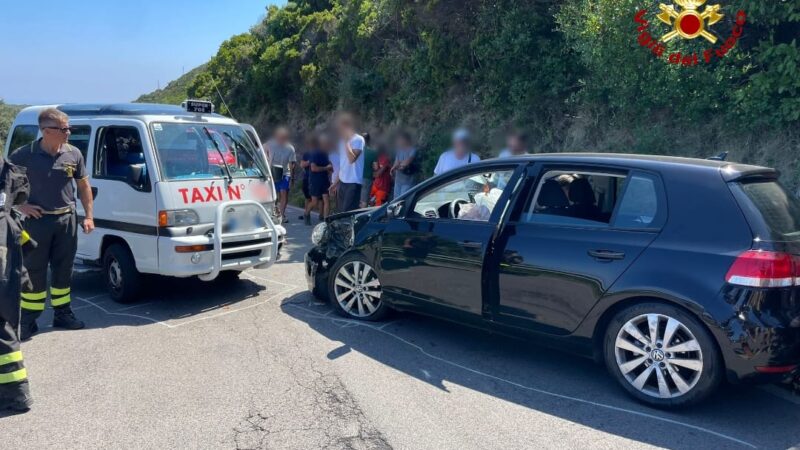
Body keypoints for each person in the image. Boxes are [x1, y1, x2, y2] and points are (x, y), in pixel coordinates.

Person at [9, 108, 95, 341]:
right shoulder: (23, 155)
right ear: (46, 131)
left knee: (64, 269)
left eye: (69, 128)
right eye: (63, 129)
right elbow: (5, 187)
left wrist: (88, 216)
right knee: (34, 271)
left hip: (66, 220)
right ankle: (28, 319)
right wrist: (21, 206)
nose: (68, 132)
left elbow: (84, 186)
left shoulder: (73, 154)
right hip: (36, 223)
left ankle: (62, 314)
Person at [0, 154, 34, 412]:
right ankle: (16, 393)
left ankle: (15, 395)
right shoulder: (7, 168)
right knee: (5, 323)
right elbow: (17, 202)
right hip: (7, 251)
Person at [330, 113, 365, 213]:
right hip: (343, 182)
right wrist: (335, 183)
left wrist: (346, 142)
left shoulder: (359, 139)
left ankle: (350, 229)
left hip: (354, 182)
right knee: (341, 212)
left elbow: (351, 159)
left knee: (348, 212)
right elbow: (343, 165)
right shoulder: (341, 141)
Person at [265, 127, 295, 223]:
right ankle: (274, 213)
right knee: (274, 196)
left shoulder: (290, 148)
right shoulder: (270, 144)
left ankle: (281, 215)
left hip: (285, 173)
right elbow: (262, 149)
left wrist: (292, 178)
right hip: (272, 173)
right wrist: (266, 157)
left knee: (284, 193)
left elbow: (291, 163)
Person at [307, 133, 333, 224]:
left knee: (327, 200)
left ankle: (326, 221)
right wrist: (326, 168)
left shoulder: (326, 154)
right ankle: (306, 214)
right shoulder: (315, 153)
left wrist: (330, 170)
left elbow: (329, 166)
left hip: (324, 180)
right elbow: (313, 168)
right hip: (315, 181)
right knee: (314, 202)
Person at [390, 130, 417, 199]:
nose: (399, 141)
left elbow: (406, 163)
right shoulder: (399, 150)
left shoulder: (413, 150)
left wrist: (400, 164)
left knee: (403, 200)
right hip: (398, 181)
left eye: (400, 139)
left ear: (406, 140)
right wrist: (394, 167)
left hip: (408, 182)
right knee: (395, 200)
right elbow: (396, 163)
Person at [359, 133, 376, 209]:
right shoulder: (373, 152)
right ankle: (361, 218)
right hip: (367, 178)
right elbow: (375, 167)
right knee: (364, 200)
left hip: (356, 177)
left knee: (356, 198)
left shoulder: (357, 150)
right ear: (369, 141)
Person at [298, 136, 313, 222]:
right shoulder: (307, 154)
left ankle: (308, 213)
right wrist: (309, 162)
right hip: (307, 178)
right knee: (308, 198)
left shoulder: (322, 152)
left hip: (317, 178)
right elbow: (302, 165)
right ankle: (307, 214)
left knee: (317, 199)